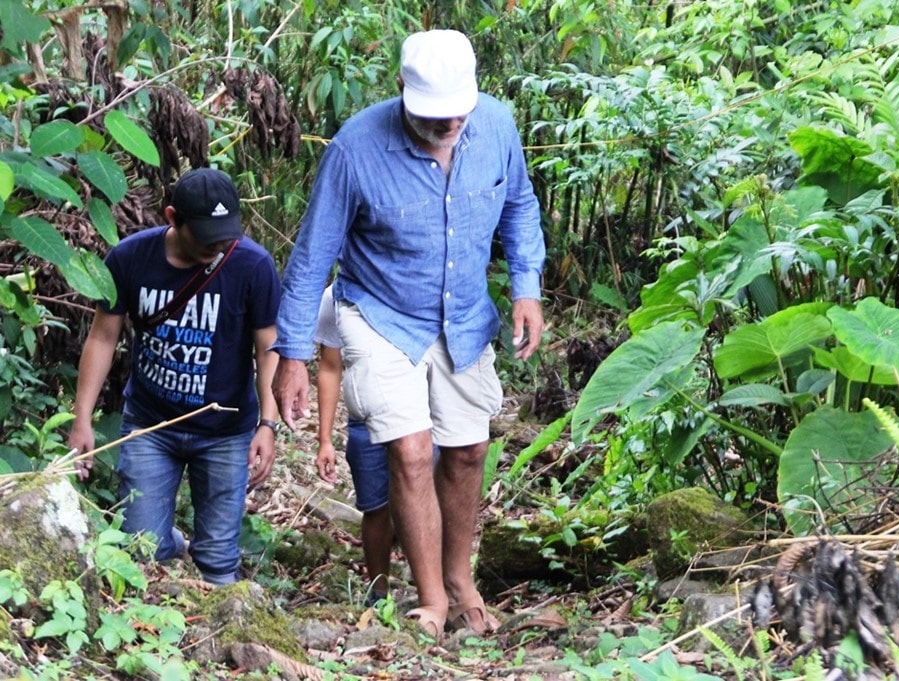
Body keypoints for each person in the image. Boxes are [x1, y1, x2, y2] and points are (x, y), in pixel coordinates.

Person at [272, 29, 545, 636]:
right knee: (411, 449)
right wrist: (290, 353)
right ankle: (431, 601)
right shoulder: (355, 149)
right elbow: (313, 257)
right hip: (379, 314)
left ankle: (459, 577)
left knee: (469, 449)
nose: (448, 123)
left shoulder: (497, 127)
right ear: (401, 90)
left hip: (466, 316)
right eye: (434, 114)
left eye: (458, 113)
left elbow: (521, 206)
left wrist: (527, 287)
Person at [69, 167, 282, 586]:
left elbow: (268, 350)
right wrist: (82, 421)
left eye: (225, 235)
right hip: (150, 423)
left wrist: (267, 425)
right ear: (172, 217)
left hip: (225, 430)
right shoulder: (131, 258)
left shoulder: (253, 266)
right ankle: (170, 549)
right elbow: (102, 338)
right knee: (141, 548)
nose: (218, 246)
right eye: (206, 236)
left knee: (219, 560)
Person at [314, 284, 394, 605]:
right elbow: (331, 367)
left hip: (420, 405)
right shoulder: (335, 296)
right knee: (375, 505)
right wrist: (325, 440)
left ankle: (437, 588)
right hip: (366, 410)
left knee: (424, 493)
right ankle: (379, 593)